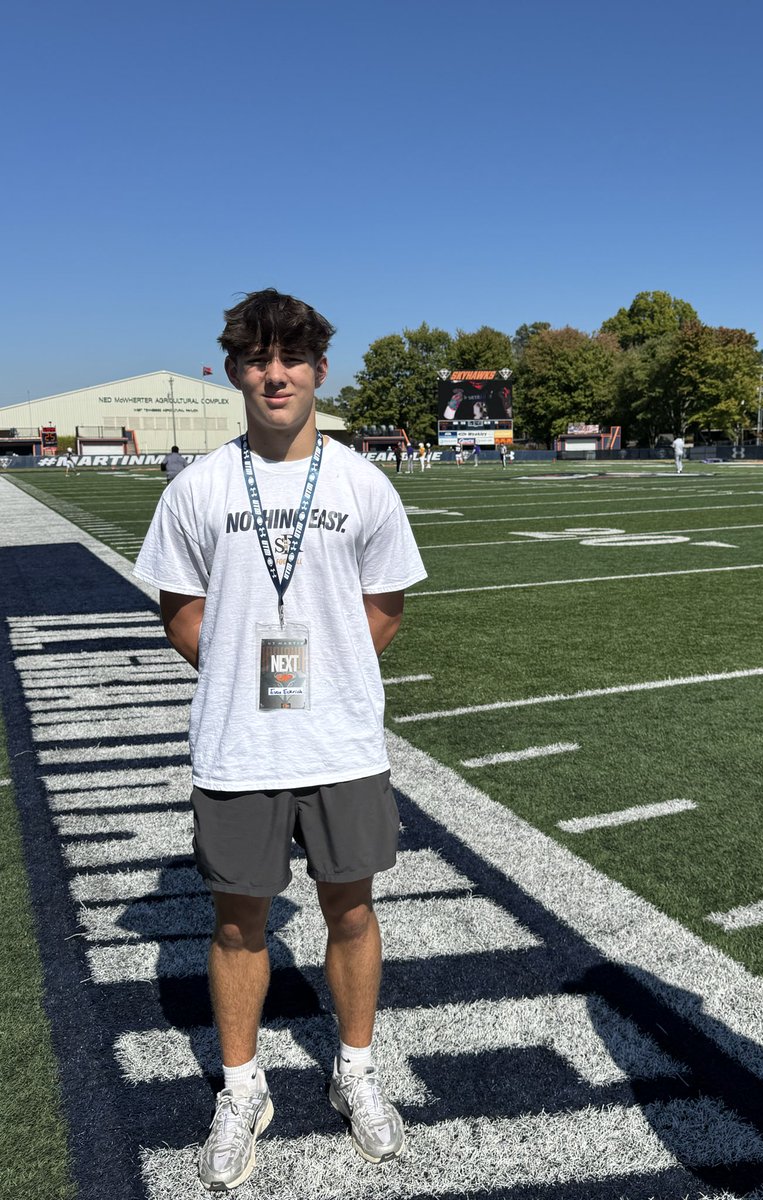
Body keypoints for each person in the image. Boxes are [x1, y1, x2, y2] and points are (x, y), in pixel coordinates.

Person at [134, 289, 427, 1192]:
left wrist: (320, 686)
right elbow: (180, 610)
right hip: (237, 747)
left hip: (342, 744)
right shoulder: (200, 486)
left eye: (291, 358)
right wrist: (241, 683)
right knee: (237, 920)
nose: (275, 374)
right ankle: (241, 1086)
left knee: (352, 908)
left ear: (317, 371)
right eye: (258, 359)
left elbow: (385, 608)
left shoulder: (362, 483)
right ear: (233, 372)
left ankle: (357, 1069)